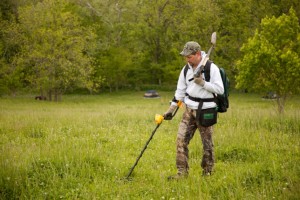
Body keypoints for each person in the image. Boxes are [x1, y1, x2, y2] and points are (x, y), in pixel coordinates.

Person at [164, 41, 224, 179]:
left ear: (198, 54)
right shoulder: (186, 69)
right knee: (181, 141)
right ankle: (182, 173)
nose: (187, 59)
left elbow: (220, 89)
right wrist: (171, 109)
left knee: (207, 144)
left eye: (189, 56)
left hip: (206, 110)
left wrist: (203, 83)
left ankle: (207, 173)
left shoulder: (211, 68)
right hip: (189, 109)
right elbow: (180, 91)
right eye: (185, 57)